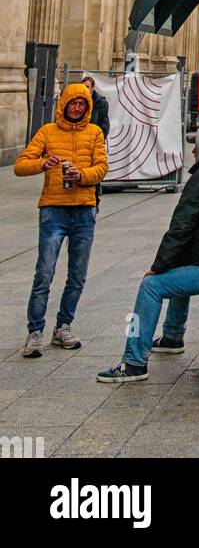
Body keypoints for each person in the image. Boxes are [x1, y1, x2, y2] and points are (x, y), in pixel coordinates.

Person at [97, 126, 199, 383]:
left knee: (150, 286)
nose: (193, 150)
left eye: (197, 145)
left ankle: (133, 362)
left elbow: (181, 227)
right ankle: (172, 336)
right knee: (180, 266)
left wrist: (158, 266)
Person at [13, 82, 108, 357]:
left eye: (82, 104)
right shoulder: (47, 131)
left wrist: (82, 175)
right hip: (53, 209)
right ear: (64, 104)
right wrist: (42, 164)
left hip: (84, 209)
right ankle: (35, 332)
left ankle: (63, 327)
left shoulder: (94, 132)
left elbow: (101, 168)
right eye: (73, 103)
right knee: (44, 272)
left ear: (87, 107)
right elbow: (20, 166)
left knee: (77, 275)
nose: (77, 108)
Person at [80, 75, 109, 208]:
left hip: (93, 142)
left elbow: (104, 123)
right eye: (83, 86)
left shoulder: (100, 102)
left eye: (87, 87)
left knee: (95, 171)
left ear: (92, 88)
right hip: (81, 142)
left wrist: (98, 138)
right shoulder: (79, 102)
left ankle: (94, 200)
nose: (85, 89)